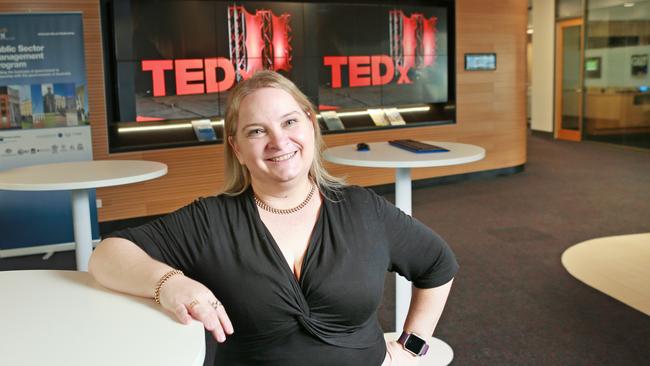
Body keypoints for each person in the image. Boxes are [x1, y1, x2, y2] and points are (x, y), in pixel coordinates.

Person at [89, 70, 458, 366]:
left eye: (289, 122)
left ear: (311, 124)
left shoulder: (364, 209)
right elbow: (106, 255)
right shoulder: (210, 220)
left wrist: (411, 347)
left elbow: (438, 263)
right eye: (257, 131)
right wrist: (168, 282)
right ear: (236, 146)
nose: (279, 142)